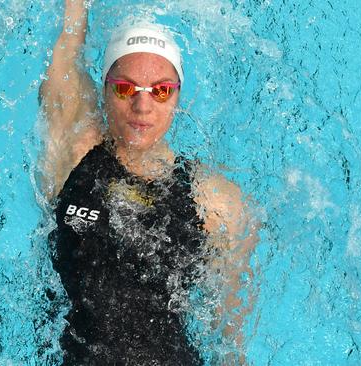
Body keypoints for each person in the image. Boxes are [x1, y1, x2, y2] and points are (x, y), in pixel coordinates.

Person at [39, 1, 258, 364]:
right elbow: (66, 47)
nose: (143, 108)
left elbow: (230, 342)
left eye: (160, 91)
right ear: (106, 88)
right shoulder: (74, 154)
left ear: (178, 96)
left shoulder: (216, 201)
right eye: (126, 88)